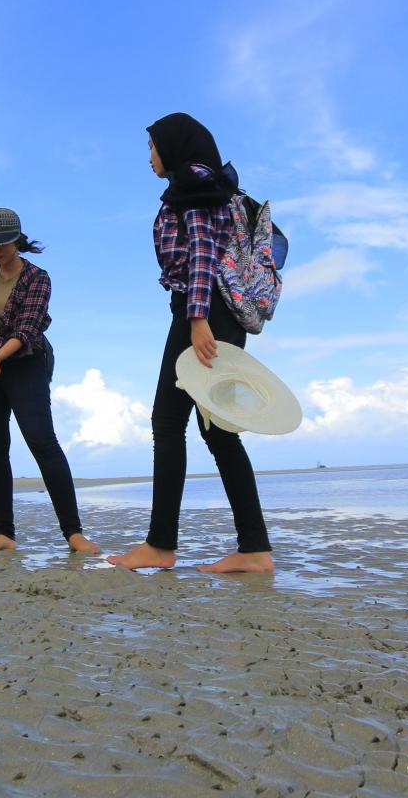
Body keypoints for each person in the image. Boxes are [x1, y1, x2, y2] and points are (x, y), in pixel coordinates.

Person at [108, 113, 275, 573]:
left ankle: (161, 544)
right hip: (214, 312)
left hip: (201, 311)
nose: (150, 156)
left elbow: (203, 251)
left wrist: (197, 318)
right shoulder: (209, 183)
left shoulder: (194, 183)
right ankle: (254, 549)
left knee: (168, 422)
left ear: (174, 146)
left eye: (152, 146)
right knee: (218, 431)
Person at [0, 208, 99, 556]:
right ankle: (3, 533)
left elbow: (28, 329)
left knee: (43, 442)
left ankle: (74, 533)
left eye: (1, 244)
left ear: (16, 239)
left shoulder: (38, 278)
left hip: (26, 363)